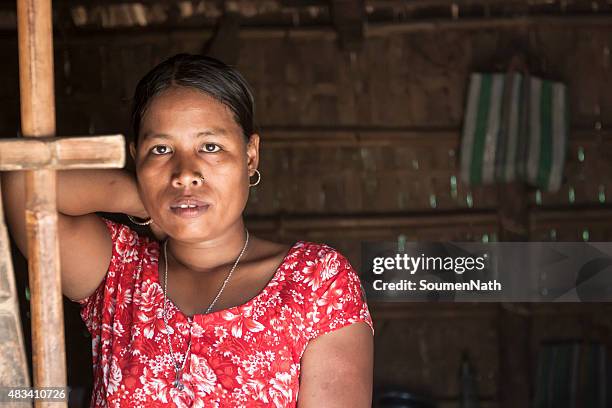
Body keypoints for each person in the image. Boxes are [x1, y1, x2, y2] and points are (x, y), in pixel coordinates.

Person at [2, 53, 374, 407]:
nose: (184, 174)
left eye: (210, 146)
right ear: (137, 158)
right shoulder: (117, 273)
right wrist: (144, 201)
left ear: (250, 155)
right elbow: (24, 185)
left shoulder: (316, 281)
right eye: (161, 150)